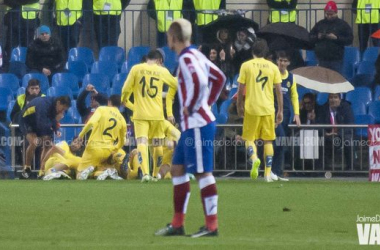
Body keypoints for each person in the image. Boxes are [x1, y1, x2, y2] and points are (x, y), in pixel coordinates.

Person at [155, 18, 225, 237]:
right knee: (177, 169)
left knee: (203, 173)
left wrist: (194, 105)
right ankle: (178, 224)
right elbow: (219, 78)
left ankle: (212, 226)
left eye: (168, 35)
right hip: (191, 125)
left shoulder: (186, 58)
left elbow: (198, 80)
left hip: (197, 124)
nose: (168, 39)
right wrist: (208, 102)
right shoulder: (196, 54)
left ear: (174, 37)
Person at [121, 50, 177, 182]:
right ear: (159, 61)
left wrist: (126, 101)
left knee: (142, 142)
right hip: (157, 114)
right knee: (157, 144)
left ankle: (145, 174)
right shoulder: (162, 71)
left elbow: (125, 90)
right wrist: (169, 109)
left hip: (140, 115)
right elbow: (176, 85)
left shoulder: (136, 69)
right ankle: (155, 174)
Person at [236, 38, 283, 182]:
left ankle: (254, 158)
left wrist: (239, 105)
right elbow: (279, 91)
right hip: (268, 109)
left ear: (252, 51)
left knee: (249, 139)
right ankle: (267, 174)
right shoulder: (273, 67)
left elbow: (240, 88)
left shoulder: (246, 66)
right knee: (268, 141)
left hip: (252, 108)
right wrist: (280, 110)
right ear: (265, 52)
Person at [76, 95, 127, 180]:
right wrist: (115, 148)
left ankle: (84, 173)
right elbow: (122, 141)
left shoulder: (102, 109)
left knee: (79, 174)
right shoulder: (122, 120)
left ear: (109, 102)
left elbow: (91, 123)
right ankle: (104, 173)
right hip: (108, 150)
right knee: (99, 167)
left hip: (94, 147)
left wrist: (81, 135)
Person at [20, 95, 71, 178]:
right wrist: (54, 124)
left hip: (38, 121)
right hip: (26, 120)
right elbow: (42, 124)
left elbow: (50, 120)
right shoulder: (43, 105)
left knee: (47, 143)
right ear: (58, 103)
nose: (62, 111)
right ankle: (27, 168)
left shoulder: (55, 106)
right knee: (34, 142)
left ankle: (41, 171)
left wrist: (55, 130)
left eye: (64, 110)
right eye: (63, 108)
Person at [272, 51, 300, 181]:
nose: (282, 63)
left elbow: (294, 96)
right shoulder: (272, 75)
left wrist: (297, 113)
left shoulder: (291, 78)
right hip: (273, 113)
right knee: (280, 140)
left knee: (278, 142)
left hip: (286, 114)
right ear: (277, 61)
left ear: (288, 63)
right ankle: (274, 171)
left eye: (285, 61)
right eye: (280, 60)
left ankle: (276, 172)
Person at [309, 1, 353, 74]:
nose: (329, 16)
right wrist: (318, 37)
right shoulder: (320, 24)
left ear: (336, 13)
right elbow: (310, 37)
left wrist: (336, 38)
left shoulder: (342, 24)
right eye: (327, 14)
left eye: (331, 14)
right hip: (321, 58)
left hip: (336, 59)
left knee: (335, 80)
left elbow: (349, 39)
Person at [316, 93, 355, 169]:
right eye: (331, 97)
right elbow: (319, 124)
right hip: (328, 135)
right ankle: (321, 169)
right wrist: (325, 133)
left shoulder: (346, 108)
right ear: (328, 100)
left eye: (335, 97)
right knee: (319, 141)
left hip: (343, 135)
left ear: (340, 100)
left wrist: (338, 134)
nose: (333, 100)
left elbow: (350, 124)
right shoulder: (323, 109)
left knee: (348, 142)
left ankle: (351, 168)